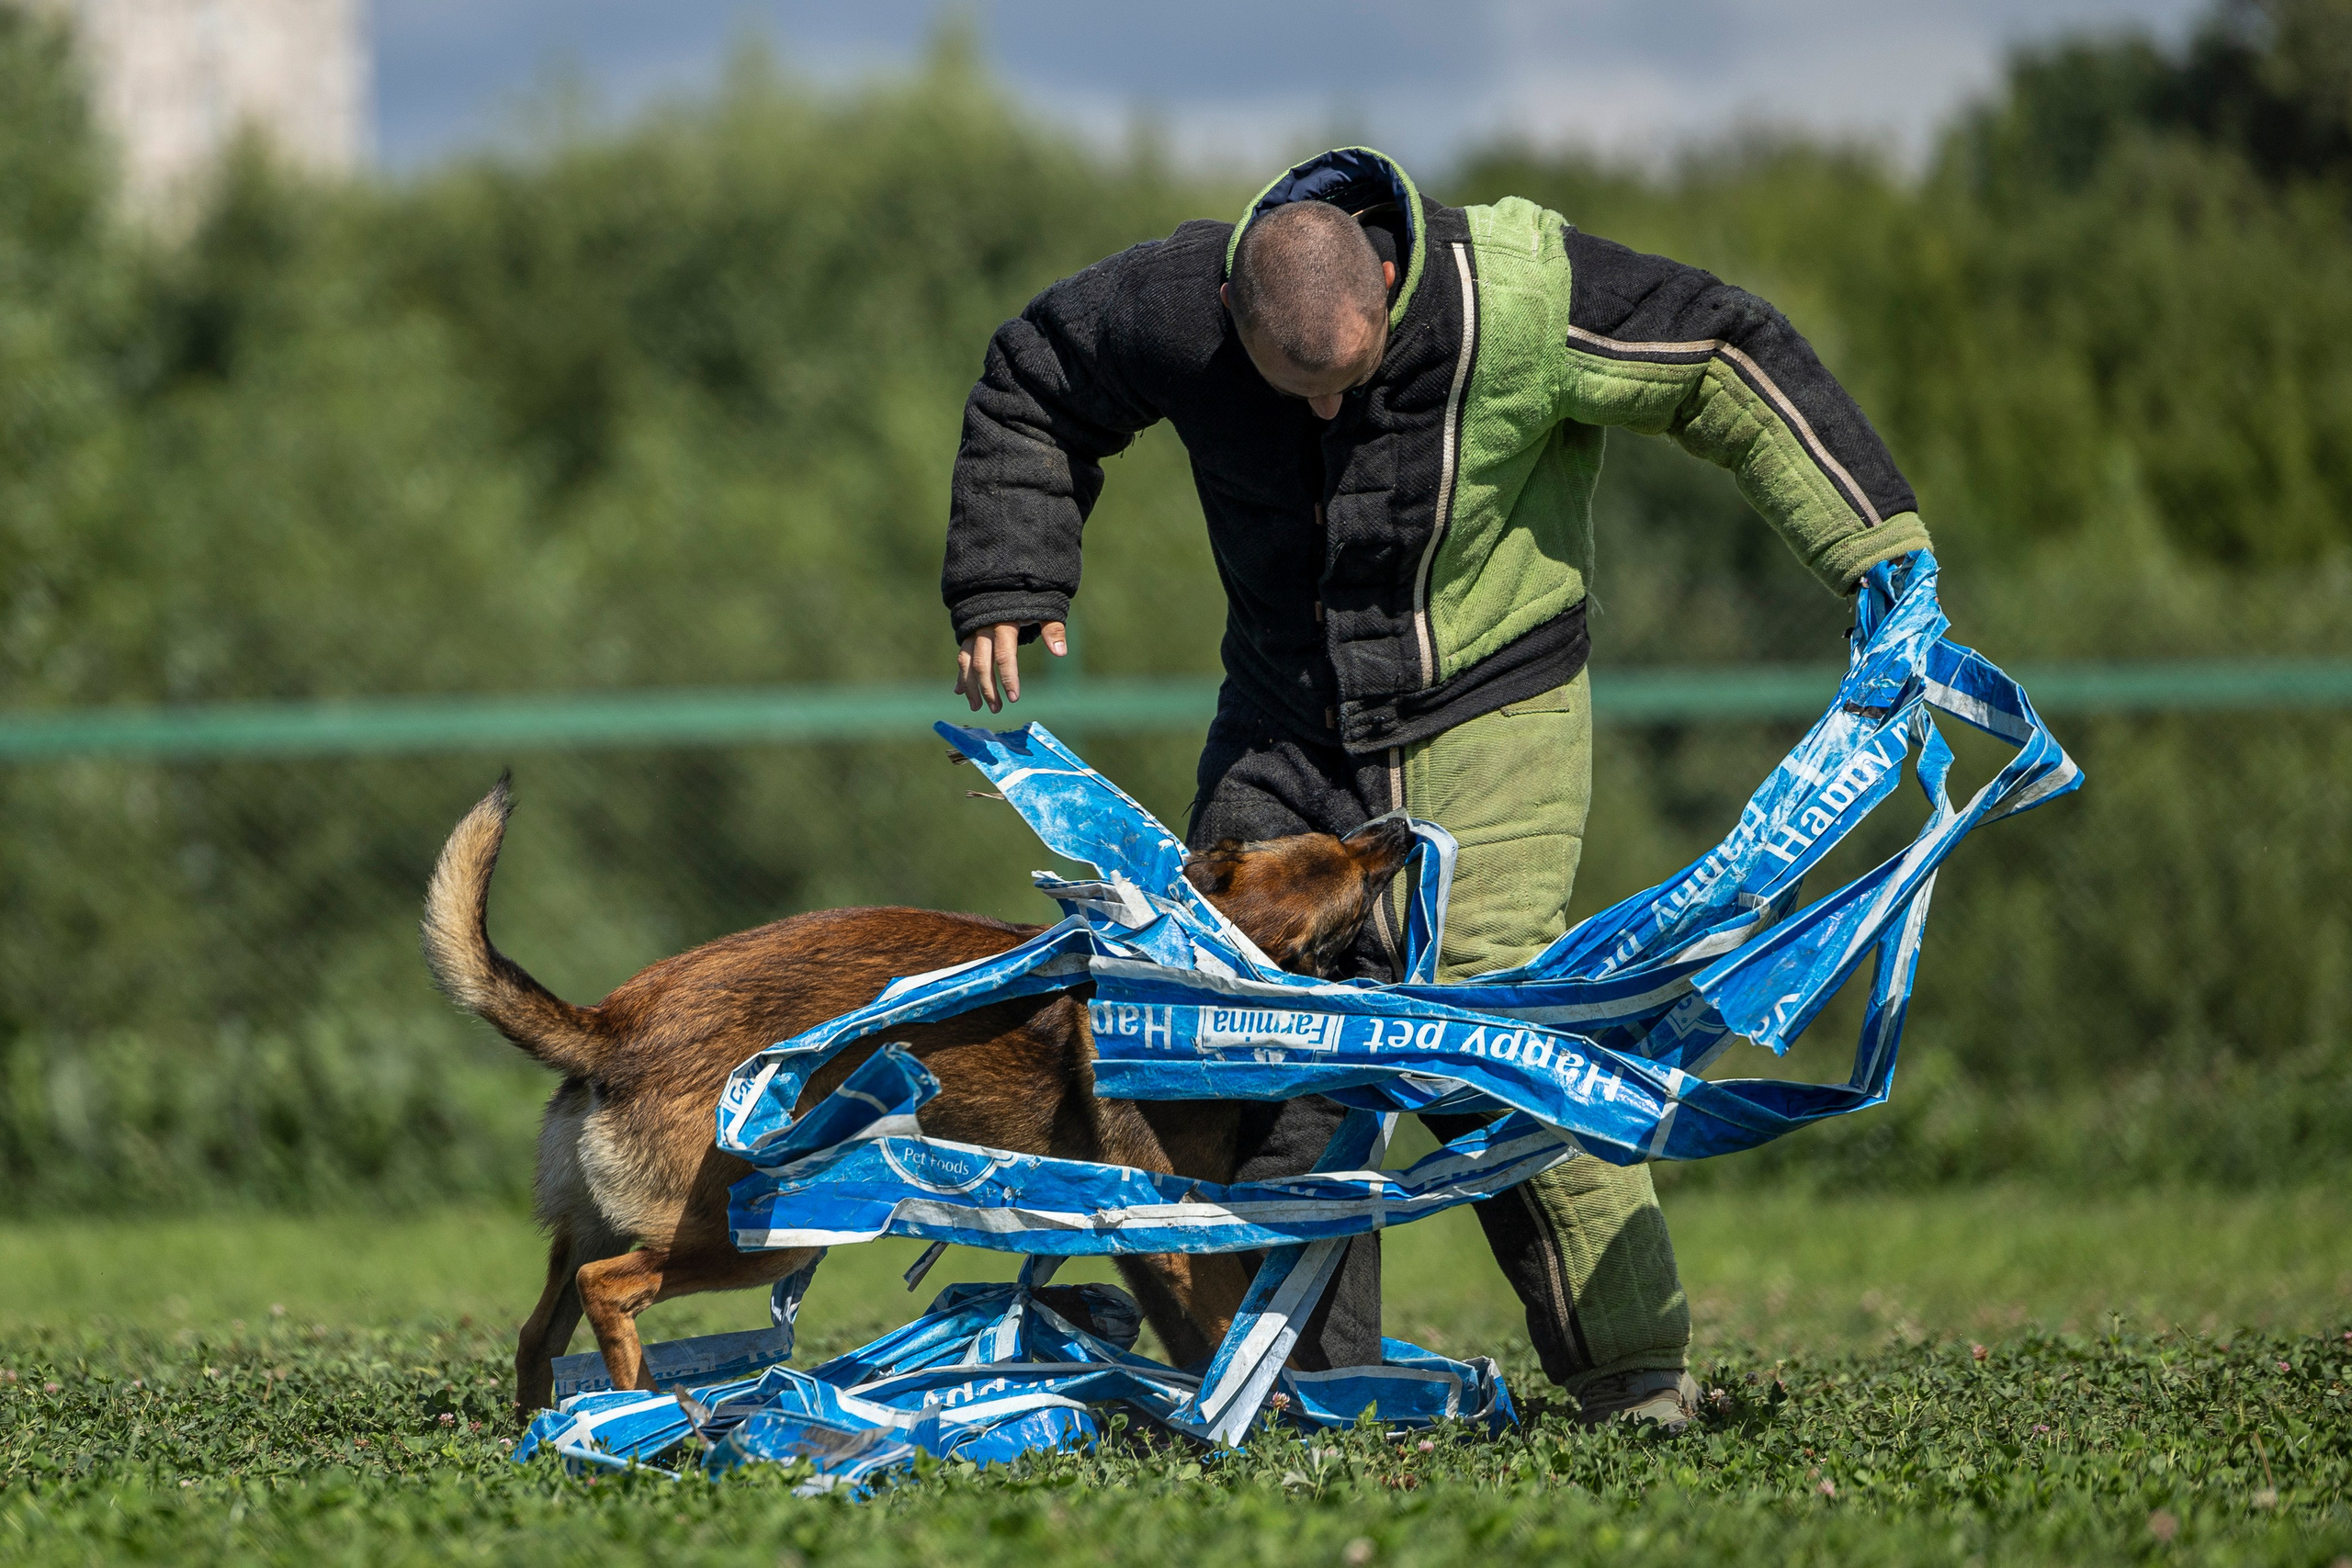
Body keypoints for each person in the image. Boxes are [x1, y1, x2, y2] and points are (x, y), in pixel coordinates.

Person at [940, 147, 1928, 1432]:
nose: (1318, 416)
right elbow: (1038, 377)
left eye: (1341, 384)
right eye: (1287, 387)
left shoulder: (1515, 297)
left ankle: (1635, 1380)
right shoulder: (1176, 305)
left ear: (1392, 286)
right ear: (1233, 309)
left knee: (1488, 1024)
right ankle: (1302, 1390)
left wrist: (1878, 550)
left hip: (1491, 703)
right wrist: (1010, 576)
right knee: (1238, 1029)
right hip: (1285, 713)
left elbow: (1725, 362)